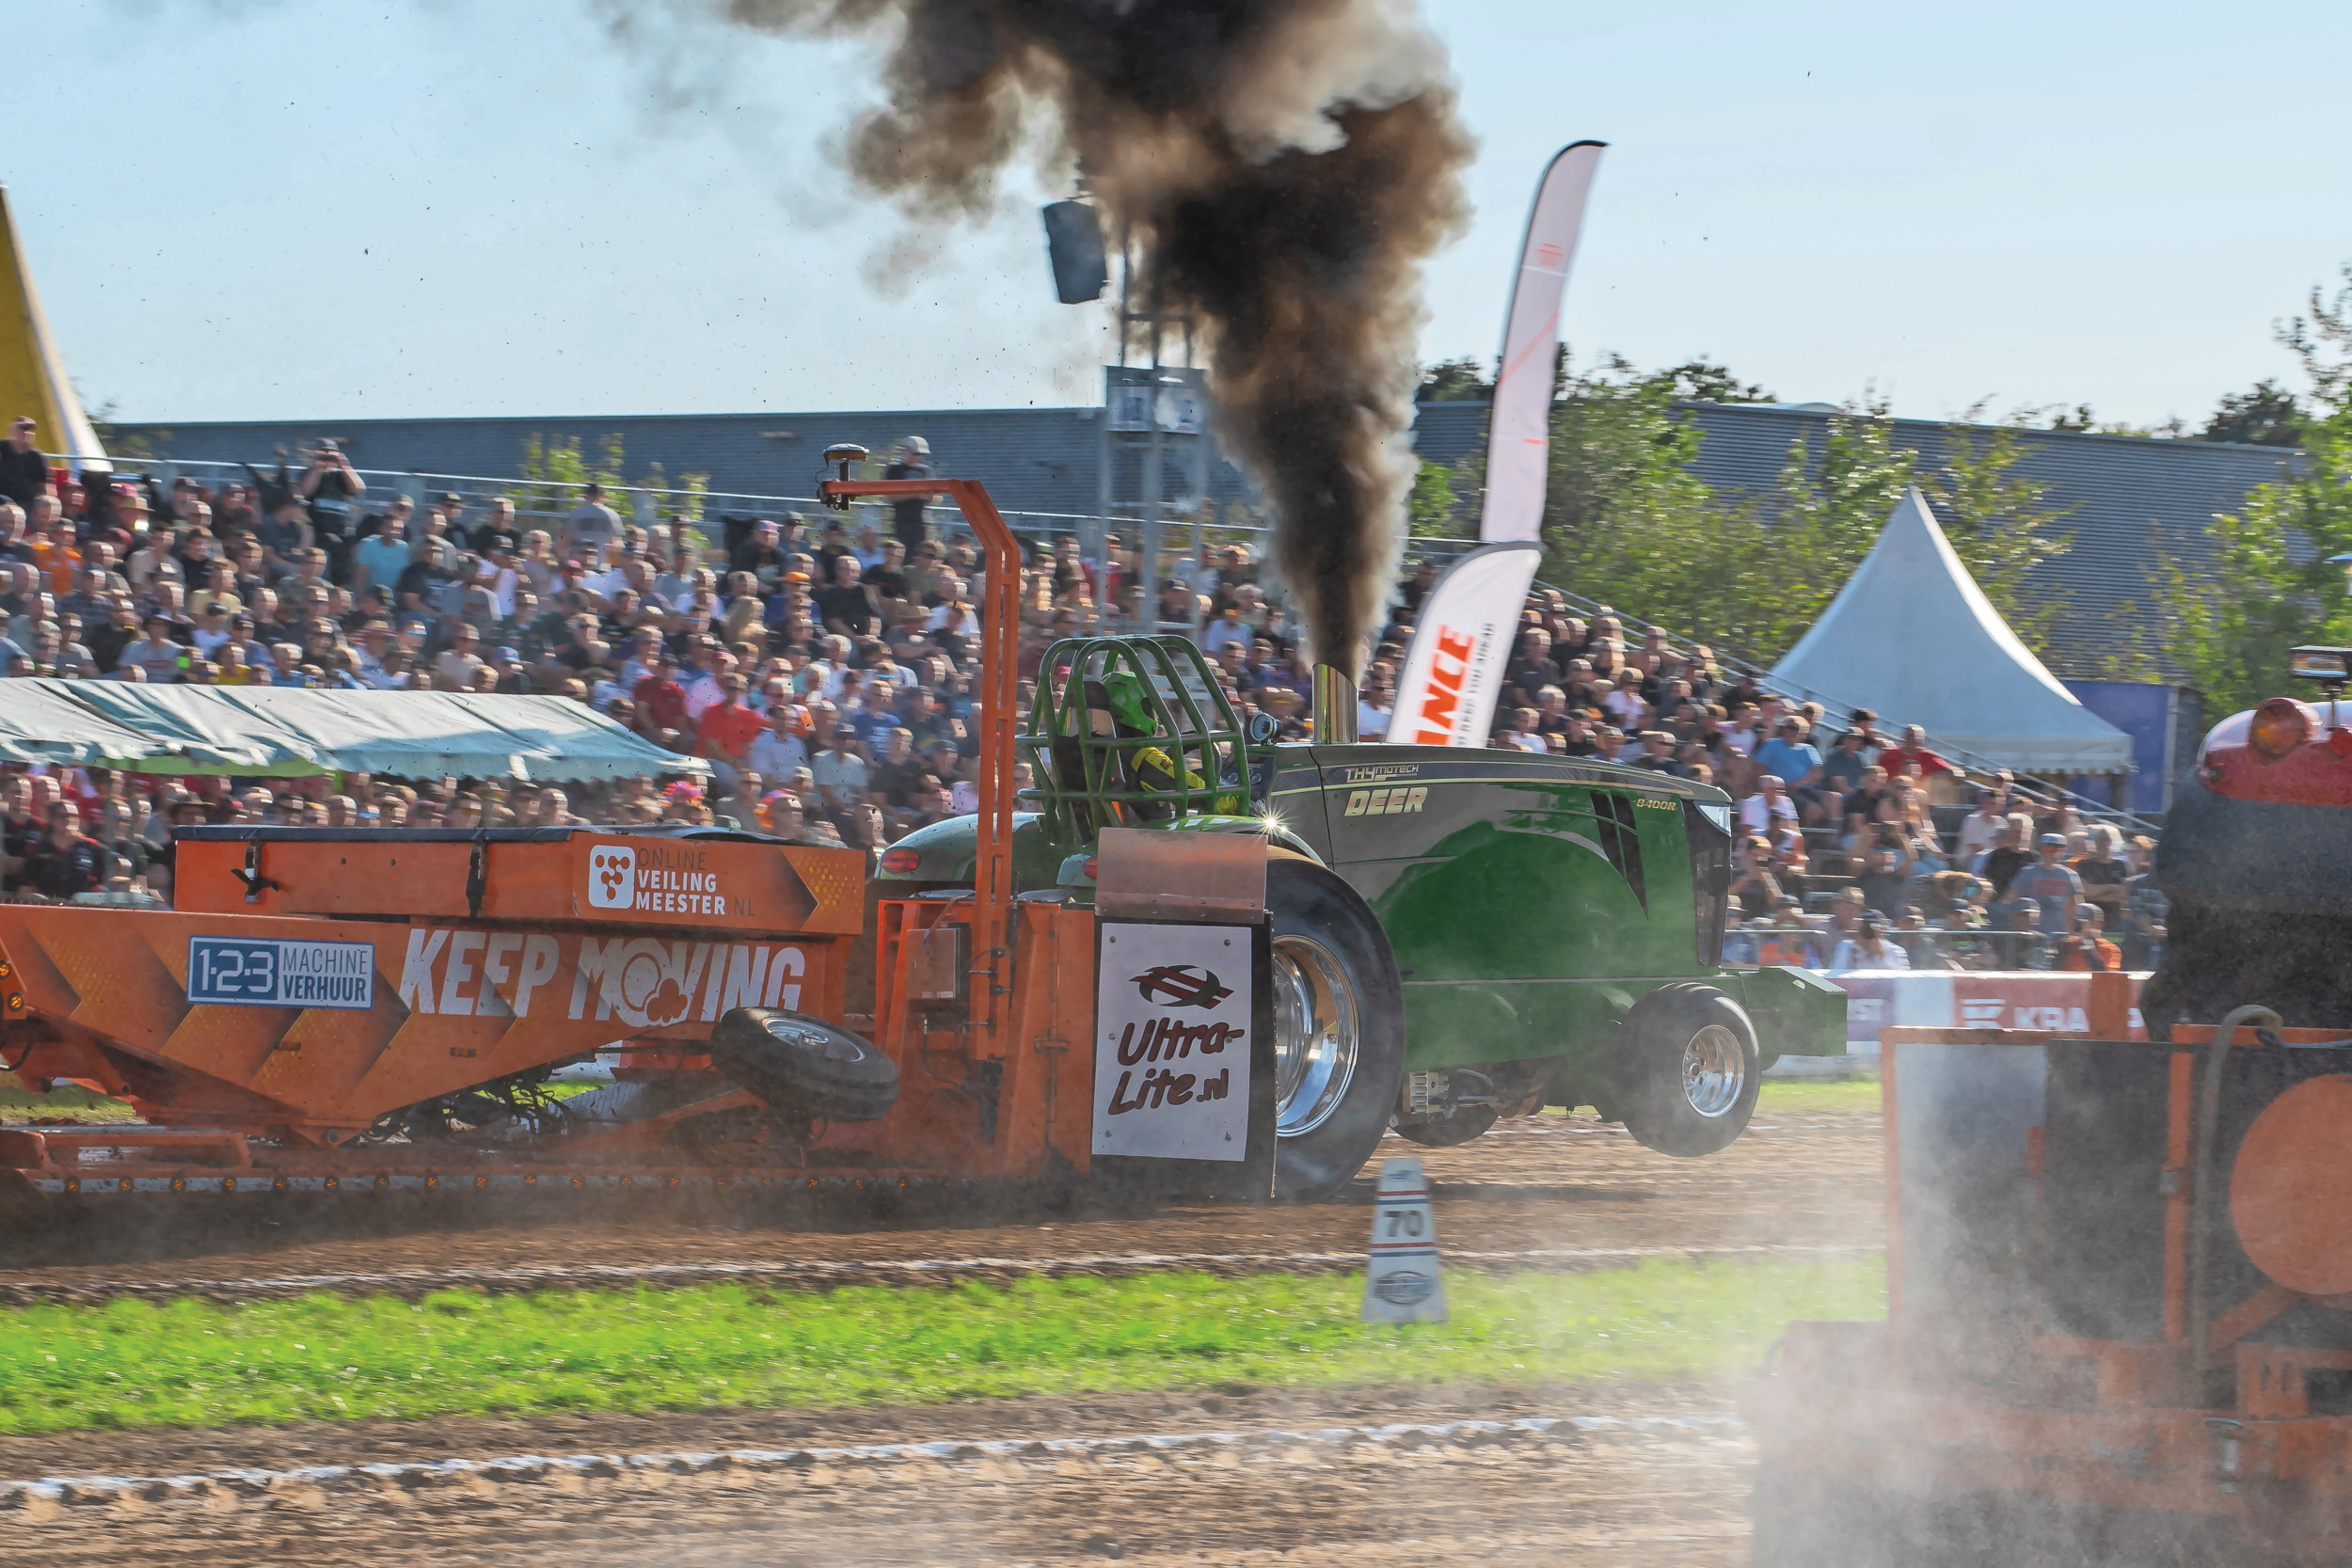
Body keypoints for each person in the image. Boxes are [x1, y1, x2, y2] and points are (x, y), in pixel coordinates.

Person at [2006, 833, 2087, 938]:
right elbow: (2012, 899)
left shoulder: (2070, 875)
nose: (2053, 853)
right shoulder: (2027, 873)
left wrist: (2073, 931)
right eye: (2049, 848)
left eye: (2058, 849)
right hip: (2033, 934)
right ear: (2041, 850)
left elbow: (2078, 906)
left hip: (2061, 933)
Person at [883, 436, 936, 551]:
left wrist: (926, 496)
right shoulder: (894, 471)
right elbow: (889, 497)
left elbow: (933, 496)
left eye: (920, 455)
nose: (918, 458)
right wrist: (913, 494)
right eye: (916, 454)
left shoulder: (925, 471)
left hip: (920, 522)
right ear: (906, 450)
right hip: (902, 522)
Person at [2053, 904, 2122, 972]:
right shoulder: (2068, 944)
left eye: (2083, 923)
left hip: (2093, 983)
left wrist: (2087, 943)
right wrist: (2066, 943)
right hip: (2069, 982)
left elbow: (2104, 975)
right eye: (2076, 923)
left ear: (2099, 924)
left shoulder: (2108, 948)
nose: (2079, 926)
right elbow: (2054, 971)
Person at [1830, 913, 1909, 973]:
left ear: (1882, 931)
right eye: (1864, 929)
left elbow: (1901, 979)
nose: (1868, 933)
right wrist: (1851, 956)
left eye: (1873, 930)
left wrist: (1881, 956)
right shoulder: (1845, 946)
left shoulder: (1896, 950)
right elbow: (1836, 973)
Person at [563, 483, 622, 558]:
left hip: (579, 560)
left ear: (586, 496)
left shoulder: (576, 513)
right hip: (602, 561)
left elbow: (567, 538)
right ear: (603, 497)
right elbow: (615, 543)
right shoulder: (612, 514)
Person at [0, 417, 46, 510]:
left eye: (30, 429)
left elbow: (43, 488)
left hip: (26, 506)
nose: (27, 432)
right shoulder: (2, 448)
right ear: (13, 430)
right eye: (23, 428)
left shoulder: (37, 457)